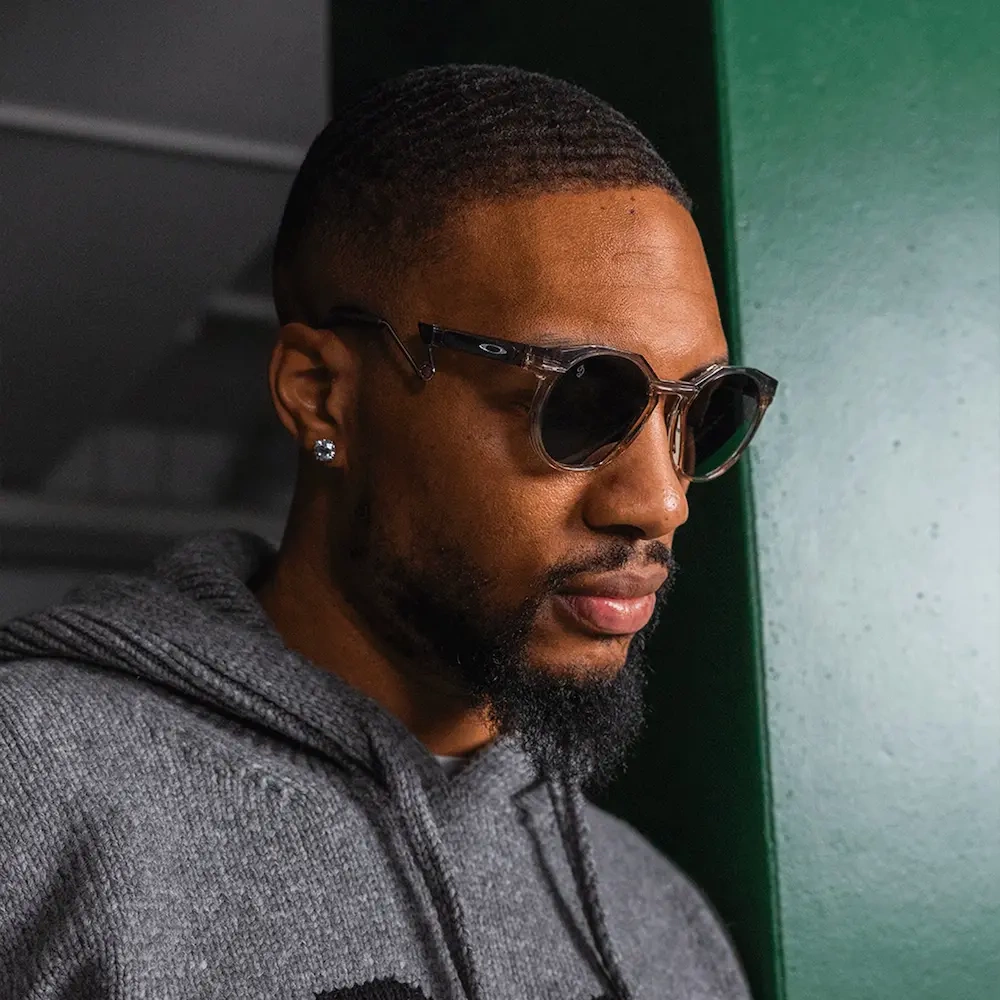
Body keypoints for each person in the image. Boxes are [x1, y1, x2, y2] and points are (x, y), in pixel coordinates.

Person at [0, 65, 776, 999]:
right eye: (580, 401)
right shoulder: (34, 789)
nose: (660, 503)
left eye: (703, 411)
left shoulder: (660, 924)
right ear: (321, 395)